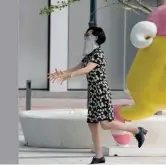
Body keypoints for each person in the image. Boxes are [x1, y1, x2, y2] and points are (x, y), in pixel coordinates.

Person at [48, 26, 148, 164]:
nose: (85, 37)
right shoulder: (89, 55)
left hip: (101, 92)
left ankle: (137, 130)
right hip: (94, 93)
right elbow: (77, 68)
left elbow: (86, 69)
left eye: (87, 35)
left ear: (95, 37)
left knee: (106, 124)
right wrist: (61, 74)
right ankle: (99, 156)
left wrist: (68, 76)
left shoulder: (98, 54)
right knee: (93, 124)